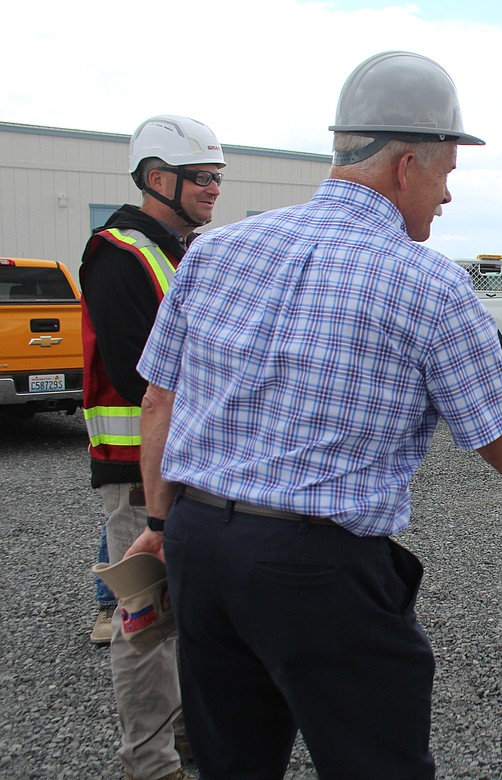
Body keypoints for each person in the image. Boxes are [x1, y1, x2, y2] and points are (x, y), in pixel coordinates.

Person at [124, 51, 502, 779]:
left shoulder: (214, 252)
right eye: (447, 175)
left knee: (231, 762)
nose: (449, 197)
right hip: (320, 570)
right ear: (405, 167)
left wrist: (159, 527)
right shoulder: (426, 283)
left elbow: (159, 400)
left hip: (201, 551)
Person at [81, 114, 224, 780]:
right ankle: (150, 762)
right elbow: (141, 368)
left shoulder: (183, 251)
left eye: (216, 178)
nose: (213, 190)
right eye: (202, 178)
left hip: (190, 461)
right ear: (157, 178)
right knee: (146, 620)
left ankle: (192, 735)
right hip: (139, 467)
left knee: (192, 610)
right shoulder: (118, 253)